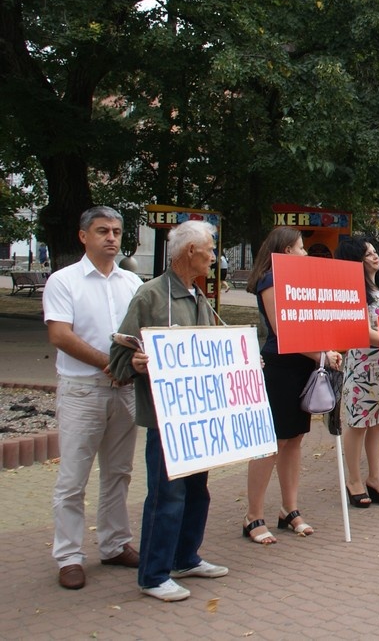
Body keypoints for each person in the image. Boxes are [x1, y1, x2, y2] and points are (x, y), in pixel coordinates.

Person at [109, 220, 229, 602]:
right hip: (167, 418)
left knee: (197, 491)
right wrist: (137, 364)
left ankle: (185, 557)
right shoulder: (151, 296)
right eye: (210, 249)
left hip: (199, 415)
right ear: (190, 251)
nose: (214, 256)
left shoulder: (199, 296)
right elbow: (119, 358)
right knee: (167, 494)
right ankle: (154, 574)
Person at [43, 206, 142, 590]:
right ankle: (68, 555)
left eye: (117, 231)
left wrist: (132, 366)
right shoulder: (64, 281)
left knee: (119, 472)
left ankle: (115, 543)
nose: (112, 238)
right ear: (83, 236)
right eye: (103, 231)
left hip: (125, 390)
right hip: (83, 390)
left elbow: (143, 330)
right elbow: (60, 336)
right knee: (73, 478)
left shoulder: (131, 283)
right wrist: (110, 364)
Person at [242, 228, 343, 544]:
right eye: (301, 248)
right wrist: (322, 355)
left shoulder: (299, 280)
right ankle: (252, 515)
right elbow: (283, 332)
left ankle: (289, 508)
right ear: (286, 250)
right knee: (272, 443)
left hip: (304, 366)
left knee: (295, 439)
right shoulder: (270, 281)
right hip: (280, 368)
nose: (305, 253)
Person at [335, 236, 379, 508]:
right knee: (359, 423)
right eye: (367, 254)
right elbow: (360, 330)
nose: (375, 257)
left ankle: (376, 478)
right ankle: (354, 480)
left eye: (375, 251)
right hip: (363, 365)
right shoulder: (352, 292)